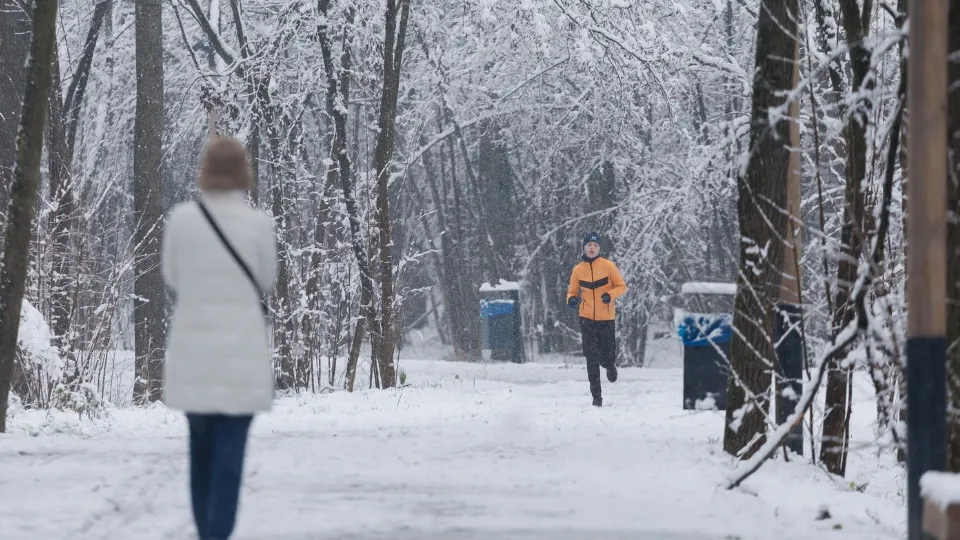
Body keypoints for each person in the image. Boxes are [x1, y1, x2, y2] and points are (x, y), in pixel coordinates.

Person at [162, 136, 277, 540]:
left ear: (205, 173)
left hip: (194, 356)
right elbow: (267, 280)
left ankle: (205, 532)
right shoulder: (259, 224)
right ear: (245, 175)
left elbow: (172, 277)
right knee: (230, 460)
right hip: (241, 357)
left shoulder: (181, 219)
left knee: (201, 455)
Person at [566, 232, 627, 407]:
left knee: (606, 353)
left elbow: (622, 286)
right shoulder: (578, 270)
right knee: (590, 356)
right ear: (584, 248)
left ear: (599, 248)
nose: (592, 248)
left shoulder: (608, 266)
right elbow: (571, 291)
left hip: (606, 317)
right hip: (586, 317)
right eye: (589, 245)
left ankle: (609, 364)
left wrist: (610, 294)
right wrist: (571, 300)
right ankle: (596, 396)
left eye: (595, 245)